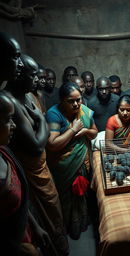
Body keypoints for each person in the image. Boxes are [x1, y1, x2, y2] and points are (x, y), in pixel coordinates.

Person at [4, 54, 69, 256]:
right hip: (31, 171)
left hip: (42, 167)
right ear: (18, 75)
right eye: (32, 76)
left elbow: (42, 138)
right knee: (43, 219)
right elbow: (37, 146)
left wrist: (41, 127)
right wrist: (40, 120)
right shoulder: (11, 103)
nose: (36, 80)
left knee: (54, 212)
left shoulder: (31, 96)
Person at [46, 82, 98, 240]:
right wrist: (73, 130)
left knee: (82, 194)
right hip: (64, 166)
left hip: (82, 161)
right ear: (62, 100)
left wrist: (85, 131)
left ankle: (81, 222)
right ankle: (69, 227)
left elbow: (95, 132)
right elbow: (53, 144)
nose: (76, 104)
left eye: (79, 100)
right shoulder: (54, 114)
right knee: (68, 197)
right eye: (71, 101)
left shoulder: (84, 111)